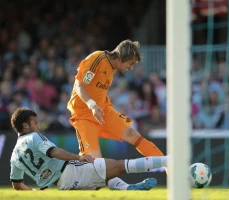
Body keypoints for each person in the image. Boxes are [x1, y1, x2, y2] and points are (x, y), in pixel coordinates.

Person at [67, 40, 165, 190]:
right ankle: (126, 188)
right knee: (96, 165)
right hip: (83, 114)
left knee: (132, 134)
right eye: (131, 63)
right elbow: (79, 86)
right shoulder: (97, 58)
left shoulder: (112, 69)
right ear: (122, 57)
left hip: (103, 110)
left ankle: (169, 166)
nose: (131, 68)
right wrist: (92, 105)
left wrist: (97, 106)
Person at [10, 107, 168, 190]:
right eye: (35, 122)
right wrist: (78, 157)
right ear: (25, 125)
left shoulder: (14, 155)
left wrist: (32, 193)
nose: (38, 126)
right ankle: (171, 160)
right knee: (120, 166)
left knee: (104, 175)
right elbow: (54, 152)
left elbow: (17, 184)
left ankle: (127, 189)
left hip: (63, 185)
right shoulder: (34, 137)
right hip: (71, 171)